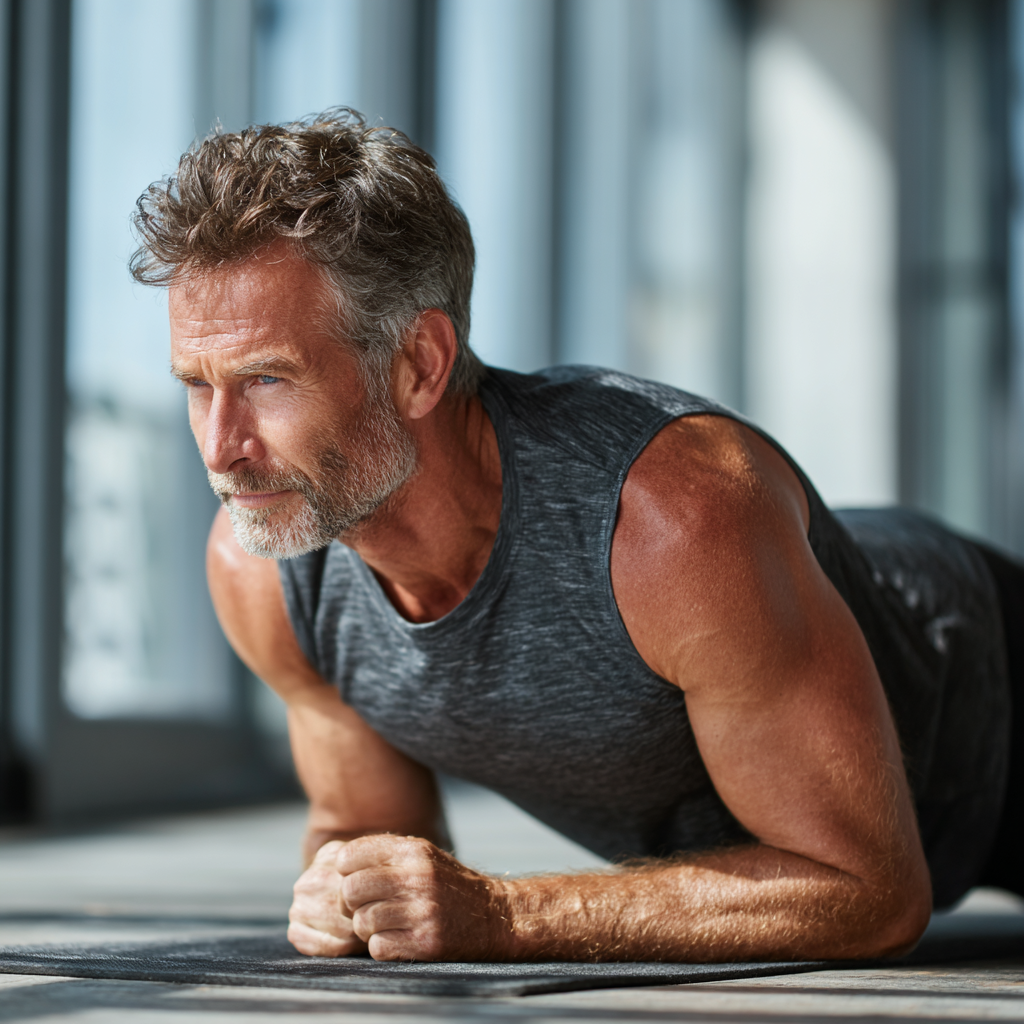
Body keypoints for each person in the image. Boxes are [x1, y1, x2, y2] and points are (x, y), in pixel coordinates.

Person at [130, 109, 1021, 964]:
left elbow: (866, 888)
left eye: (268, 381)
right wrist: (343, 893)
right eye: (197, 385)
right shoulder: (260, 570)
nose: (220, 449)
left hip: (987, 691)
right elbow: (368, 835)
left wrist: (506, 914)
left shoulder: (674, 516)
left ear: (418, 366)